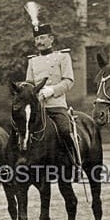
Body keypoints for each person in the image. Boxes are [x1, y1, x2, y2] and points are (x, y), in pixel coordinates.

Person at [25, 20, 78, 162]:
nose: (39, 42)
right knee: (22, 131)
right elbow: (30, 83)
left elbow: (69, 81)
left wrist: (52, 90)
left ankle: (73, 161)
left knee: (65, 130)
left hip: (56, 105)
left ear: (51, 39)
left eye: (42, 38)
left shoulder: (63, 57)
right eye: (36, 38)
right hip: (37, 107)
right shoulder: (32, 61)